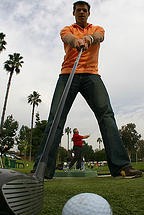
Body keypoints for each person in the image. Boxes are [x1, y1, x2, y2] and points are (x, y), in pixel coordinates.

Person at [32, 1, 142, 179]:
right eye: (78, 10)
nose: (81, 12)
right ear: (74, 13)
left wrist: (89, 39)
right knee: (56, 118)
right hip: (68, 74)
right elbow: (67, 38)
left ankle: (121, 166)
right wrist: (76, 41)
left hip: (91, 76)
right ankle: (43, 168)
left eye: (84, 10)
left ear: (89, 13)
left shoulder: (97, 28)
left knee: (106, 115)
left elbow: (99, 36)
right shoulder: (67, 29)